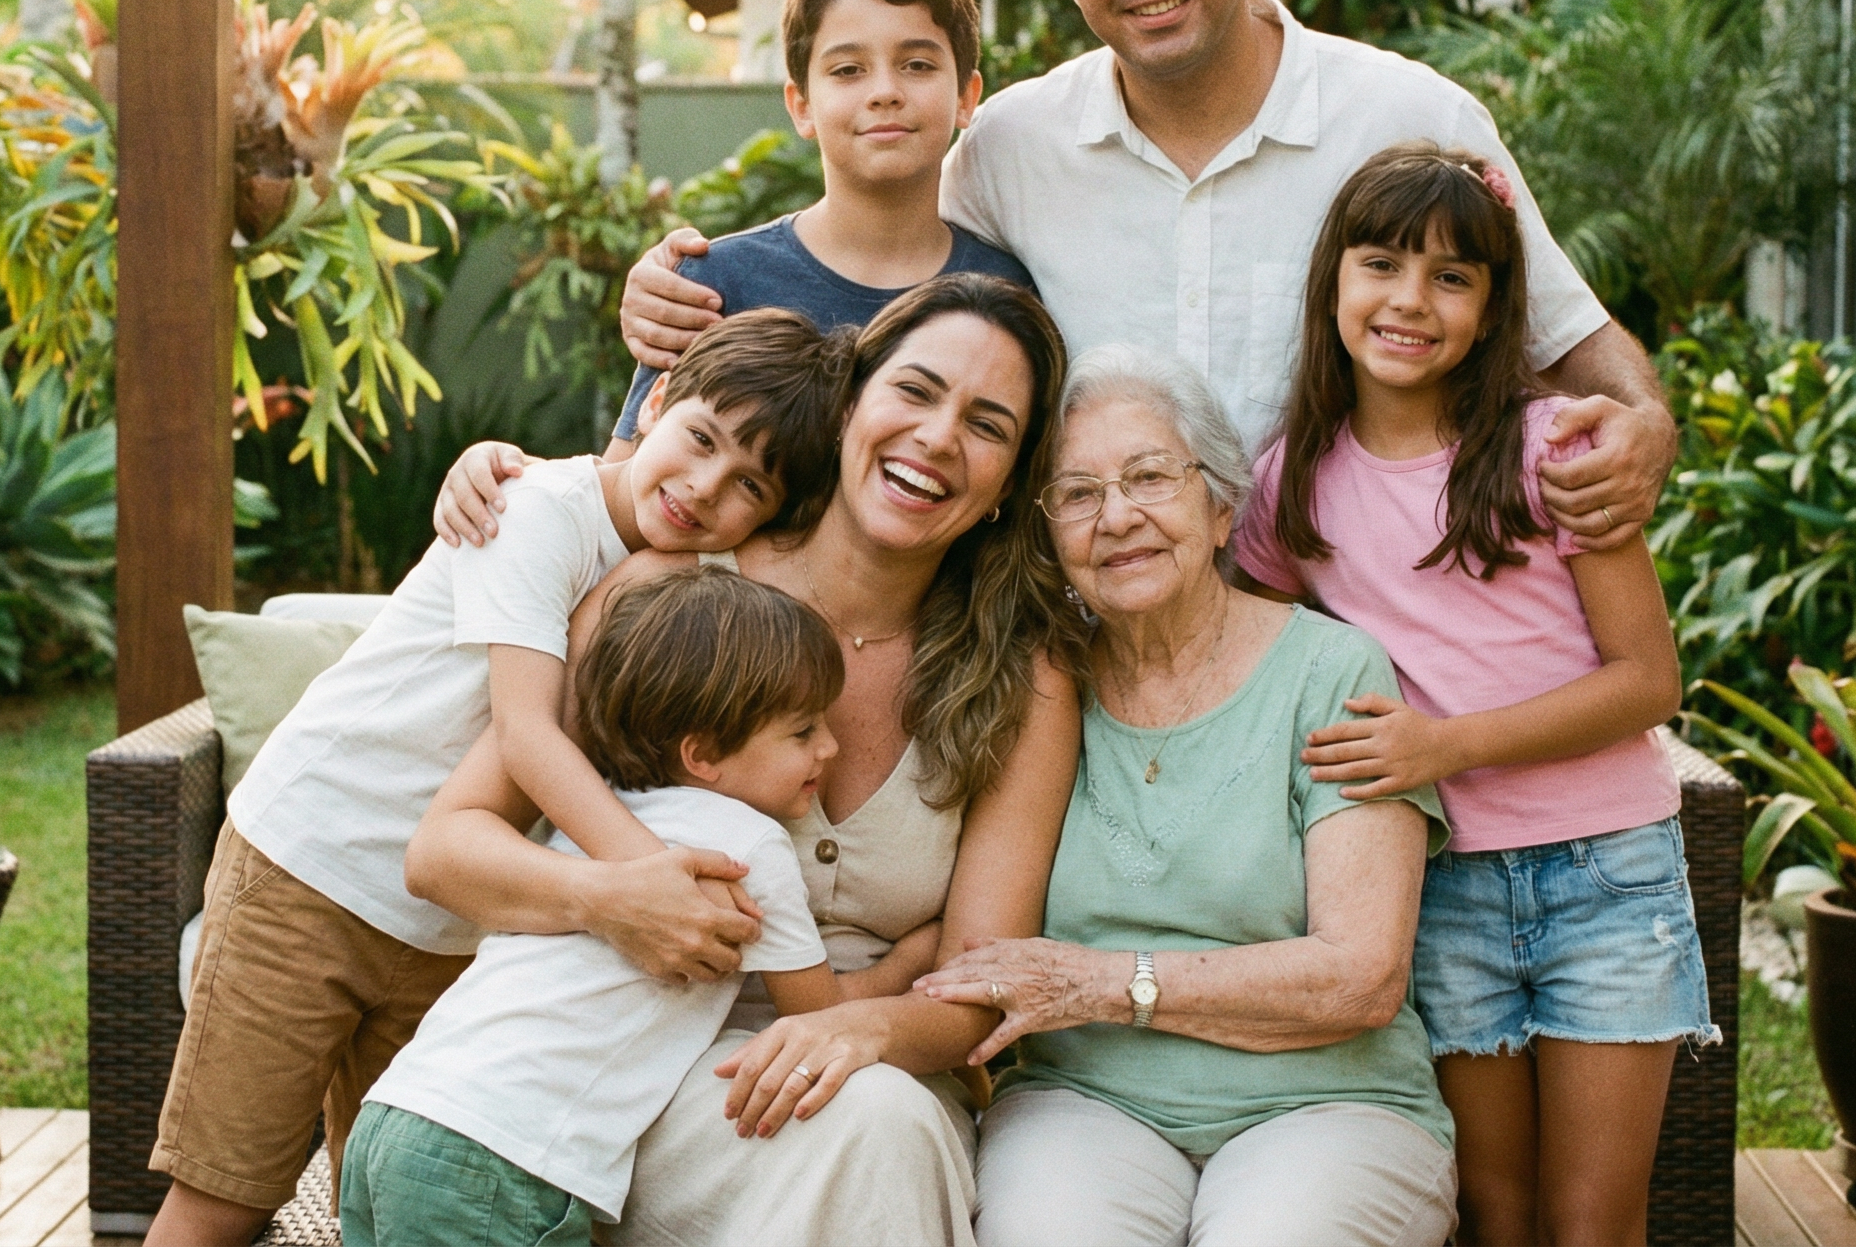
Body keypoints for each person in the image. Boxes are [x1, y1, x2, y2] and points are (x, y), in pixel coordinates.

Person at [603, 0, 1678, 558]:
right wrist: (686, 280)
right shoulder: (1012, 147)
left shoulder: (1409, 117)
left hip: (1366, 645)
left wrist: (1643, 427)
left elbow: (1574, 345)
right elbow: (871, 228)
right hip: (1093, 648)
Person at [142, 310, 856, 1247]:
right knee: (227, 1194)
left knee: (402, 1199)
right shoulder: (534, 510)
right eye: (700, 440)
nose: (703, 486)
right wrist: (649, 876)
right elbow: (526, 735)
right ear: (660, 401)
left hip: (452, 924)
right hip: (311, 864)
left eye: (747, 485)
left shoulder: (671, 573)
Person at [406, 275, 1083, 1247]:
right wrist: (611, 897)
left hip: (872, 1072)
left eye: (985, 425)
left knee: (882, 1122)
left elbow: (978, 977)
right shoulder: (666, 592)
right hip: (622, 1075)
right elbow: (446, 852)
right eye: (915, 391)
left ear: (1009, 485)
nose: (936, 437)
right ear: (851, 404)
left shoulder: (1023, 674)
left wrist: (861, 1031)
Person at [1229, 143, 1714, 1246]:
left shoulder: (1555, 449)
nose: (1410, 299)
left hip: (1608, 876)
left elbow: (1648, 683)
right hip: (1435, 887)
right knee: (1492, 1210)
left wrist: (1441, 746)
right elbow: (1248, 646)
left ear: (1495, 310)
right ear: (1333, 285)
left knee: (1591, 1221)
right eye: (1382, 264)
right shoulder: (1289, 480)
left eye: (1452, 276)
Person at [919, 343, 1457, 1247]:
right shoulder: (1045, 691)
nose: (1116, 516)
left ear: (1219, 506)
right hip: (1085, 1101)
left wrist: (1106, 983)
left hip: (1330, 1104)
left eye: (1148, 477)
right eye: (1078, 494)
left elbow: (1361, 978)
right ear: (1047, 534)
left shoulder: (1330, 671)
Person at [432, 0, 1033, 540]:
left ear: (966, 97)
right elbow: (615, 507)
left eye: (918, 64)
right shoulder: (713, 283)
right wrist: (506, 478)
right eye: (848, 69)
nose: (885, 89)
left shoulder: (1004, 298)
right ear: (800, 105)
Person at [344, 569, 845, 1246]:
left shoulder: (587, 817)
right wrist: (918, 959)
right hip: (499, 1161)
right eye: (803, 731)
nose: (830, 748)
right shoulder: (751, 848)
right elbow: (819, 1016)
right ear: (703, 755)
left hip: (397, 1114)